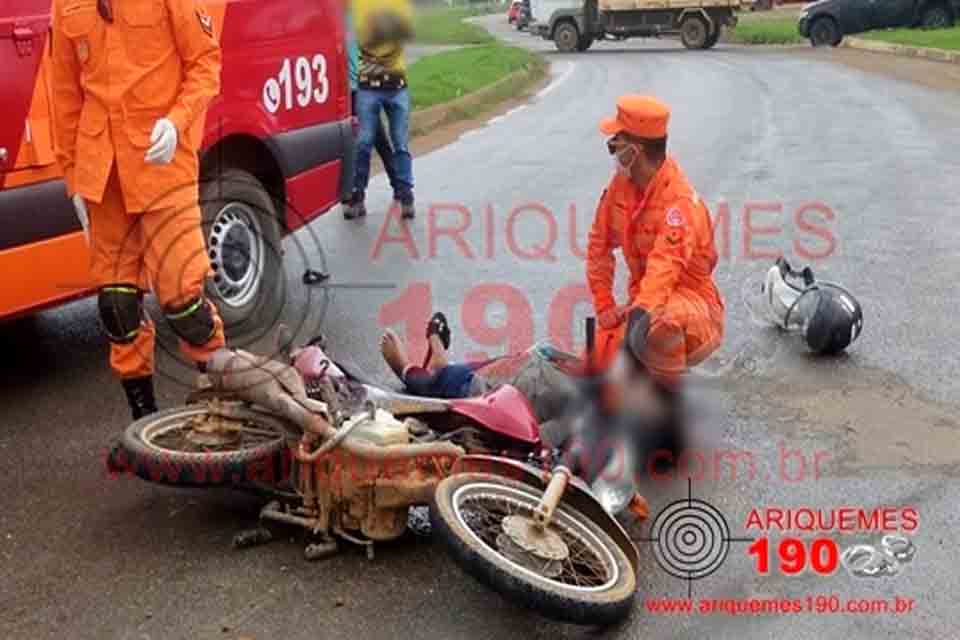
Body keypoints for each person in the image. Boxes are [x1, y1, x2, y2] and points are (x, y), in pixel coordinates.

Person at [51, 0, 226, 420]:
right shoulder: (67, 4)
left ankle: (222, 400)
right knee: (117, 307)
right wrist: (74, 178)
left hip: (161, 166)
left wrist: (178, 120)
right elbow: (64, 93)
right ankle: (143, 419)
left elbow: (205, 64)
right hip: (103, 178)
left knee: (184, 304)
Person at [586, 95, 724, 394]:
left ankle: (665, 406)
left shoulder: (679, 203)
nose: (611, 151)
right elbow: (599, 246)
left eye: (615, 145)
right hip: (643, 301)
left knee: (659, 325)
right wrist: (605, 305)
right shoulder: (619, 189)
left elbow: (665, 268)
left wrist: (639, 318)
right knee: (599, 359)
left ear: (634, 152)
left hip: (692, 306)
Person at [350, 0, 416, 219]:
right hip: (368, 87)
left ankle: (406, 196)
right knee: (364, 142)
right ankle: (357, 196)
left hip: (396, 86)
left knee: (400, 142)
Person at [343, 5, 401, 220]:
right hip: (342, 92)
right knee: (373, 140)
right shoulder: (333, 16)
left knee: (365, 142)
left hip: (363, 88)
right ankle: (399, 185)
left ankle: (358, 197)